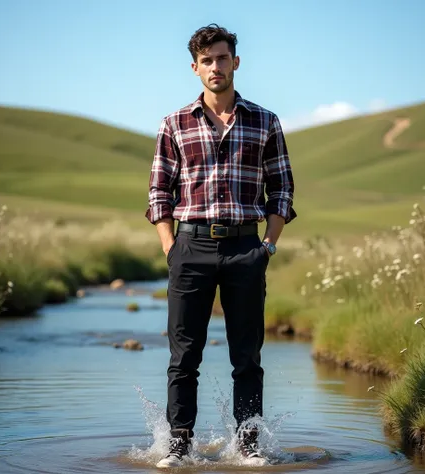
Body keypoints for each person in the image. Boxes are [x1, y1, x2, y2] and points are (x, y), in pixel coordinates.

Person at [145, 23, 296, 468]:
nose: (215, 66)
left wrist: (266, 246)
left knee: (246, 357)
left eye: (222, 58)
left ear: (236, 62)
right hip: (190, 248)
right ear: (195, 68)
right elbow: (158, 193)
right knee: (183, 357)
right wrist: (171, 247)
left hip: (245, 249)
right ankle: (178, 447)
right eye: (206, 60)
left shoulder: (265, 121)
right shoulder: (173, 123)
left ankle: (249, 449)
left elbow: (282, 190)